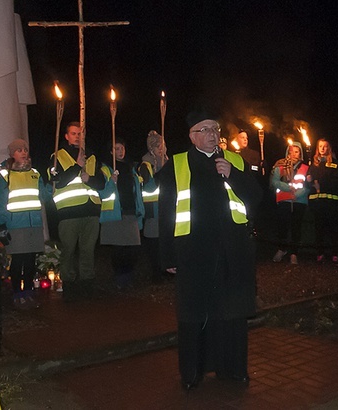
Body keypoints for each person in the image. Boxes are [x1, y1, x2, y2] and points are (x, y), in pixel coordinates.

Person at [159, 110, 262, 390]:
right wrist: (167, 254)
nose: (214, 134)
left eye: (215, 128)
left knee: (233, 313)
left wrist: (234, 177)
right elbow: (166, 210)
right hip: (193, 252)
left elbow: (255, 198)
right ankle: (193, 373)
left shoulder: (234, 160)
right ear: (193, 136)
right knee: (194, 315)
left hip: (232, 251)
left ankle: (234, 369)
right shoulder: (177, 164)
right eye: (205, 129)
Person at [50, 122, 106, 301]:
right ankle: (69, 284)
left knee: (88, 249)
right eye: (73, 133)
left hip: (91, 210)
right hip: (69, 212)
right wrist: (76, 166)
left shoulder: (92, 156)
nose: (77, 136)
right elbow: (57, 181)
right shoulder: (57, 156)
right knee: (68, 249)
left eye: (80, 133)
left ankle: (87, 283)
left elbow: (101, 184)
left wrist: (89, 178)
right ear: (66, 136)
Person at [0, 138, 50, 310]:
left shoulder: (35, 173)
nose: (24, 153)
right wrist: (2, 225)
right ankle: (17, 294)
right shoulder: (6, 174)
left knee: (30, 261)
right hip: (15, 225)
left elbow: (45, 196)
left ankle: (28, 292)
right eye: (19, 150)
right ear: (12, 154)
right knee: (17, 262)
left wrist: (52, 180)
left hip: (33, 224)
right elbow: (1, 202)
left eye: (25, 150)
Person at [100, 138, 145, 289]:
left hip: (131, 211)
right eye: (116, 149)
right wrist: (111, 182)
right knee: (119, 249)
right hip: (115, 212)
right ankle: (120, 278)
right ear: (111, 151)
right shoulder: (106, 168)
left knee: (132, 247)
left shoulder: (131, 168)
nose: (120, 152)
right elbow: (102, 192)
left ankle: (128, 275)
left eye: (122, 148)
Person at [271, 141, 310, 264]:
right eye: (292, 151)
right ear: (288, 152)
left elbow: (307, 186)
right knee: (282, 225)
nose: (294, 154)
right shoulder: (280, 166)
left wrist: (296, 195)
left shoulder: (305, 167)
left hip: (299, 201)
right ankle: (282, 249)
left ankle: (294, 253)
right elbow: (275, 182)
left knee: (296, 227)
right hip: (283, 200)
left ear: (300, 153)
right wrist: (289, 189)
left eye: (297, 151)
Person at [307, 138, 338, 264]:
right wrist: (309, 180)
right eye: (320, 146)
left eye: (325, 146)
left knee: (333, 229)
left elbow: (337, 182)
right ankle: (320, 253)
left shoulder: (334, 163)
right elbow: (309, 182)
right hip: (317, 203)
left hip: (331, 202)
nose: (323, 148)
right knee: (319, 229)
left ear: (329, 148)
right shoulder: (313, 164)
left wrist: (320, 184)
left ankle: (335, 253)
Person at [139, 130, 169, 283]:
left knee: (166, 241)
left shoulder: (167, 162)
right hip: (153, 210)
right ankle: (156, 273)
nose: (160, 149)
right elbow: (148, 188)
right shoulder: (146, 165)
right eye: (157, 146)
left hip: (167, 208)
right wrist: (159, 176)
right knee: (154, 243)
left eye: (162, 145)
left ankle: (167, 270)